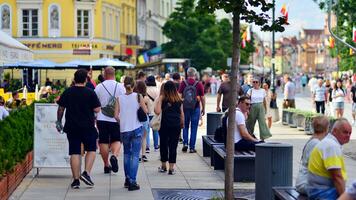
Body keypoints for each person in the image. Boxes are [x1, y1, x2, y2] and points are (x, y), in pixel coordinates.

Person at [56, 68, 101, 189]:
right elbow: (97, 109)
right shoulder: (90, 92)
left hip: (72, 126)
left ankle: (76, 181)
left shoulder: (68, 92)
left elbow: (61, 108)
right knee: (91, 149)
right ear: (86, 80)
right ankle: (86, 173)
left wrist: (59, 122)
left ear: (74, 79)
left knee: (74, 152)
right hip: (88, 127)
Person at [308, 118, 352, 199]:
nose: (348, 135)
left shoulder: (330, 142)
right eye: (345, 132)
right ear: (335, 131)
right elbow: (337, 178)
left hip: (318, 190)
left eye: (350, 133)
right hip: (322, 192)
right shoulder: (331, 146)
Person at [117, 76, 148, 191]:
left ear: (124, 86)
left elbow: (116, 115)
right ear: (134, 85)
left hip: (124, 130)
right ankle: (133, 181)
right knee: (135, 155)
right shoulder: (138, 96)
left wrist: (122, 120)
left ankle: (127, 179)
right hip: (136, 129)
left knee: (126, 154)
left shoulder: (119, 98)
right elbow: (145, 111)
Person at [94, 67, 125, 174]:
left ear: (105, 74)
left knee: (103, 141)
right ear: (114, 74)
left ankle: (106, 165)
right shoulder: (120, 86)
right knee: (116, 139)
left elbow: (94, 102)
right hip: (116, 117)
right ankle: (114, 156)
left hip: (102, 117)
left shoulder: (99, 87)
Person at [154, 81, 184, 175]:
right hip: (176, 125)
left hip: (164, 125)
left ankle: (163, 166)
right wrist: (182, 123)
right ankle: (171, 168)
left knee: (163, 145)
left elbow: (157, 112)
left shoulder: (163, 99)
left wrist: (160, 99)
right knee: (173, 146)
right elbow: (181, 113)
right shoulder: (178, 99)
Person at [295, 116, 329, 195]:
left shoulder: (313, 140)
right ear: (327, 128)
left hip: (303, 181)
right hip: (306, 184)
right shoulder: (317, 144)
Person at [178, 67, 205, 153]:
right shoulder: (199, 84)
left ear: (187, 74)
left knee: (185, 126)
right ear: (195, 74)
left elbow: (179, 96)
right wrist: (203, 108)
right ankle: (192, 147)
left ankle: (185, 143)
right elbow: (202, 97)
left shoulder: (183, 83)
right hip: (195, 107)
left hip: (185, 108)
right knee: (194, 127)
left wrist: (180, 105)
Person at [134, 80, 150, 162]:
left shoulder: (134, 97)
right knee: (144, 137)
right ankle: (143, 154)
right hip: (144, 119)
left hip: (135, 119)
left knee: (137, 138)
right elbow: (148, 110)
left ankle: (137, 154)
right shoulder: (146, 98)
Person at [146, 75, 160, 151]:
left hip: (147, 111)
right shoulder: (157, 90)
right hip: (155, 112)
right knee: (155, 129)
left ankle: (147, 146)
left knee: (147, 130)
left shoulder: (145, 89)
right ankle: (156, 146)